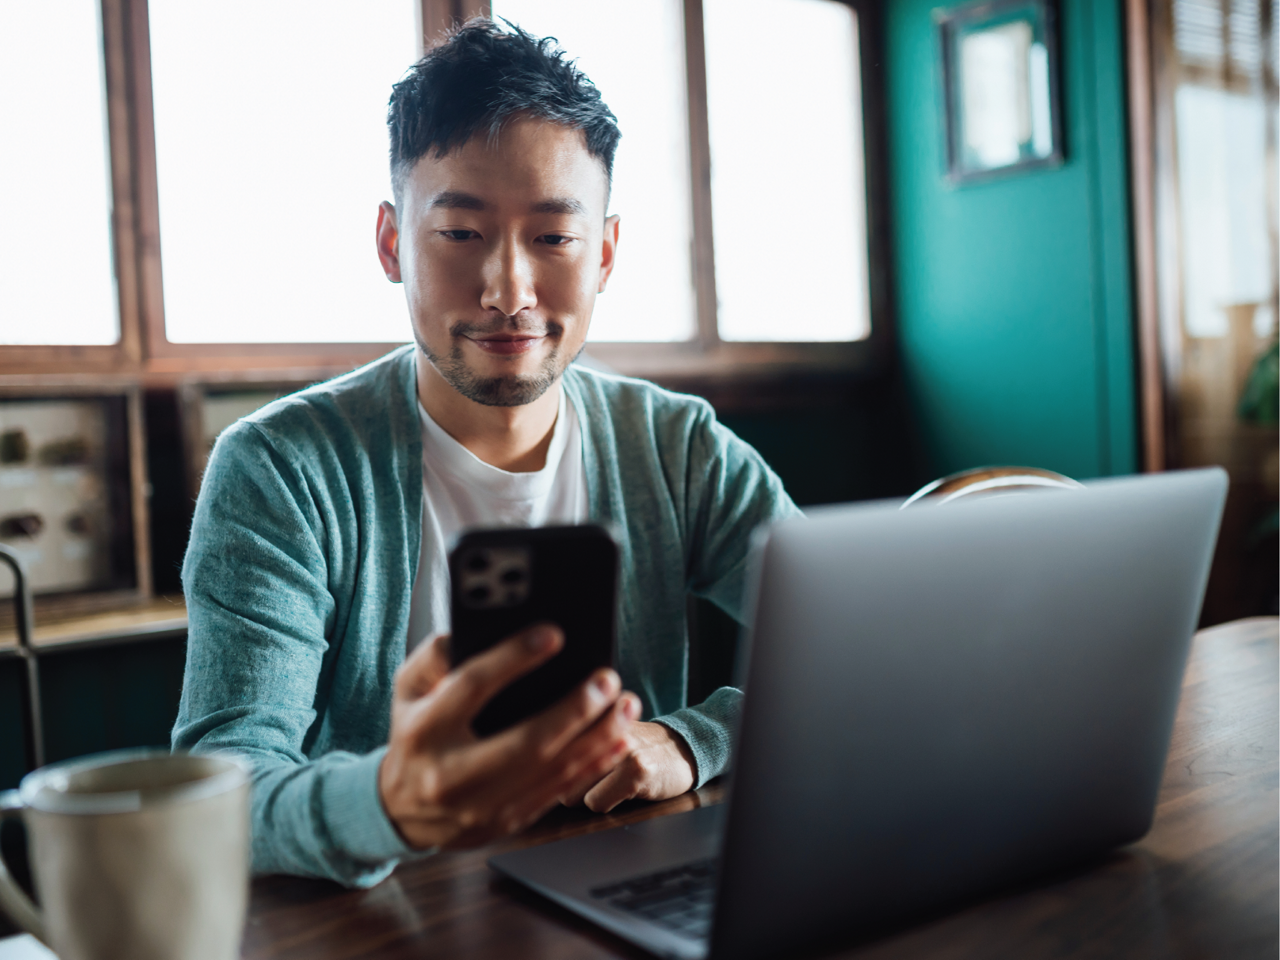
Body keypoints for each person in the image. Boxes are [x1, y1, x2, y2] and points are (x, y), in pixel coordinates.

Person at [173, 19, 801, 888]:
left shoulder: (676, 447)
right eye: (462, 234)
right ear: (393, 244)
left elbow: (855, 655)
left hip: (628, 890)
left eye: (553, 238)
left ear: (606, 253)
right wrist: (392, 804)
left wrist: (693, 740)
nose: (509, 289)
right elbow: (223, 789)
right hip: (381, 920)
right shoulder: (281, 470)